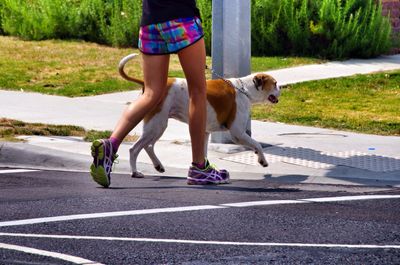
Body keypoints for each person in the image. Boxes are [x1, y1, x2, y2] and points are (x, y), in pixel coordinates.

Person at [90, 0, 230, 188]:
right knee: (197, 91)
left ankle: (111, 144)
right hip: (182, 19)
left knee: (150, 93)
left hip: (150, 23)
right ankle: (199, 167)